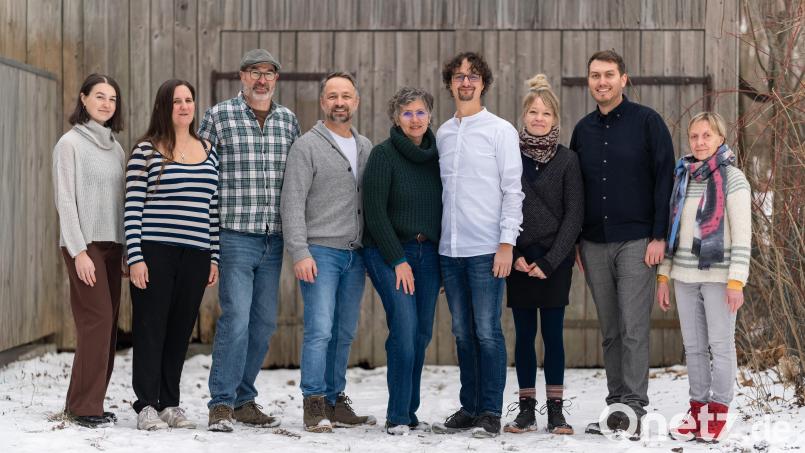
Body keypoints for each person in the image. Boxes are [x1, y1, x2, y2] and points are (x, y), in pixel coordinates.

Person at [570, 49, 675, 437]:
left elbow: (666, 180)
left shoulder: (648, 123)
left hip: (637, 241)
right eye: (595, 75)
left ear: (624, 79)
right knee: (611, 329)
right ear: (589, 82)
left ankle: (634, 406)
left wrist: (660, 235)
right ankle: (616, 406)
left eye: (609, 75)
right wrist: (578, 239)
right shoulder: (582, 130)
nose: (602, 81)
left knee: (633, 327)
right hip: (594, 243)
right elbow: (575, 190)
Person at [199, 49, 300, 432]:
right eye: (254, 72)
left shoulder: (289, 121)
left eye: (269, 73)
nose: (262, 79)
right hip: (235, 235)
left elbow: (297, 180)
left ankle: (244, 399)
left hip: (273, 240)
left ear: (276, 79)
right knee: (236, 320)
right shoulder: (219, 116)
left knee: (263, 324)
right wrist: (207, 239)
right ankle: (221, 403)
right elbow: (202, 175)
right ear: (241, 77)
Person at [431, 52, 524, 439]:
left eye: (472, 76)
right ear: (450, 83)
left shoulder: (500, 130)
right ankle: (469, 407)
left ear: (483, 83)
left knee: (487, 332)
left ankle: (489, 410)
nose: (465, 82)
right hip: (450, 252)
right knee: (462, 333)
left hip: (487, 249)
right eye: (458, 76)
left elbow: (512, 191)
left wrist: (507, 243)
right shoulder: (443, 133)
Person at [281, 72, 376, 433]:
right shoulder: (307, 145)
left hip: (355, 255)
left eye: (346, 96)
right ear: (323, 102)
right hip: (320, 252)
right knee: (319, 330)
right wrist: (300, 252)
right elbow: (292, 203)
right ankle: (314, 402)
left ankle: (336, 400)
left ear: (356, 102)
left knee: (344, 331)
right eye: (333, 96)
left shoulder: (366, 146)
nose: (340, 102)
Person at [125, 79, 220, 430]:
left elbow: (212, 210)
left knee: (179, 331)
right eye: (176, 100)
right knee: (151, 328)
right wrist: (135, 256)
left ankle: (170, 403)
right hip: (155, 252)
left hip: (196, 255)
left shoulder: (209, 150)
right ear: (164, 106)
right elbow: (133, 207)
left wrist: (214, 257)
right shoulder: (146, 150)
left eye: (189, 100)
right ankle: (146, 405)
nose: (183, 106)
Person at [658, 112, 751, 442]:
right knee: (694, 347)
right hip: (683, 275)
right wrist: (664, 276)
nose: (699, 142)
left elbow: (742, 235)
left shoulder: (733, 179)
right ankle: (698, 408)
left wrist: (736, 281)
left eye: (706, 136)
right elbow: (672, 231)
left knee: (720, 345)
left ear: (720, 139)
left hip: (720, 277)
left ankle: (719, 411)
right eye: (694, 136)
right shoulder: (682, 177)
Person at [503, 74, 583, 435]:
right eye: (533, 112)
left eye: (545, 113)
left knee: (552, 336)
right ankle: (525, 409)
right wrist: (516, 252)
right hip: (518, 257)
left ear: (555, 119)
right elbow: (500, 205)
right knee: (522, 336)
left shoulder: (567, 161)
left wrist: (551, 261)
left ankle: (555, 411)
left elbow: (574, 215)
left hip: (555, 260)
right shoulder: (510, 157)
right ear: (523, 116)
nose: (538, 118)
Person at [362, 87, 442, 435]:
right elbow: (375, 213)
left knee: (422, 334)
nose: (414, 119)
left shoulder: (441, 155)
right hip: (388, 251)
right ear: (396, 118)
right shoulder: (383, 156)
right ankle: (396, 415)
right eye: (407, 113)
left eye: (420, 112)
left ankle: (409, 412)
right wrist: (398, 259)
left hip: (430, 254)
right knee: (405, 330)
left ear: (430, 116)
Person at [52, 73, 125, 428]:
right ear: (83, 99)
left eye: (112, 98)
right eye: (99, 96)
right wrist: (79, 250)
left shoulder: (117, 147)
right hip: (84, 244)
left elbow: (121, 202)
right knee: (96, 321)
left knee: (108, 325)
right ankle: (82, 407)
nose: (106, 103)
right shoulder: (69, 144)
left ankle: (89, 401)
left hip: (113, 244)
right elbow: (65, 200)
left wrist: (126, 248)